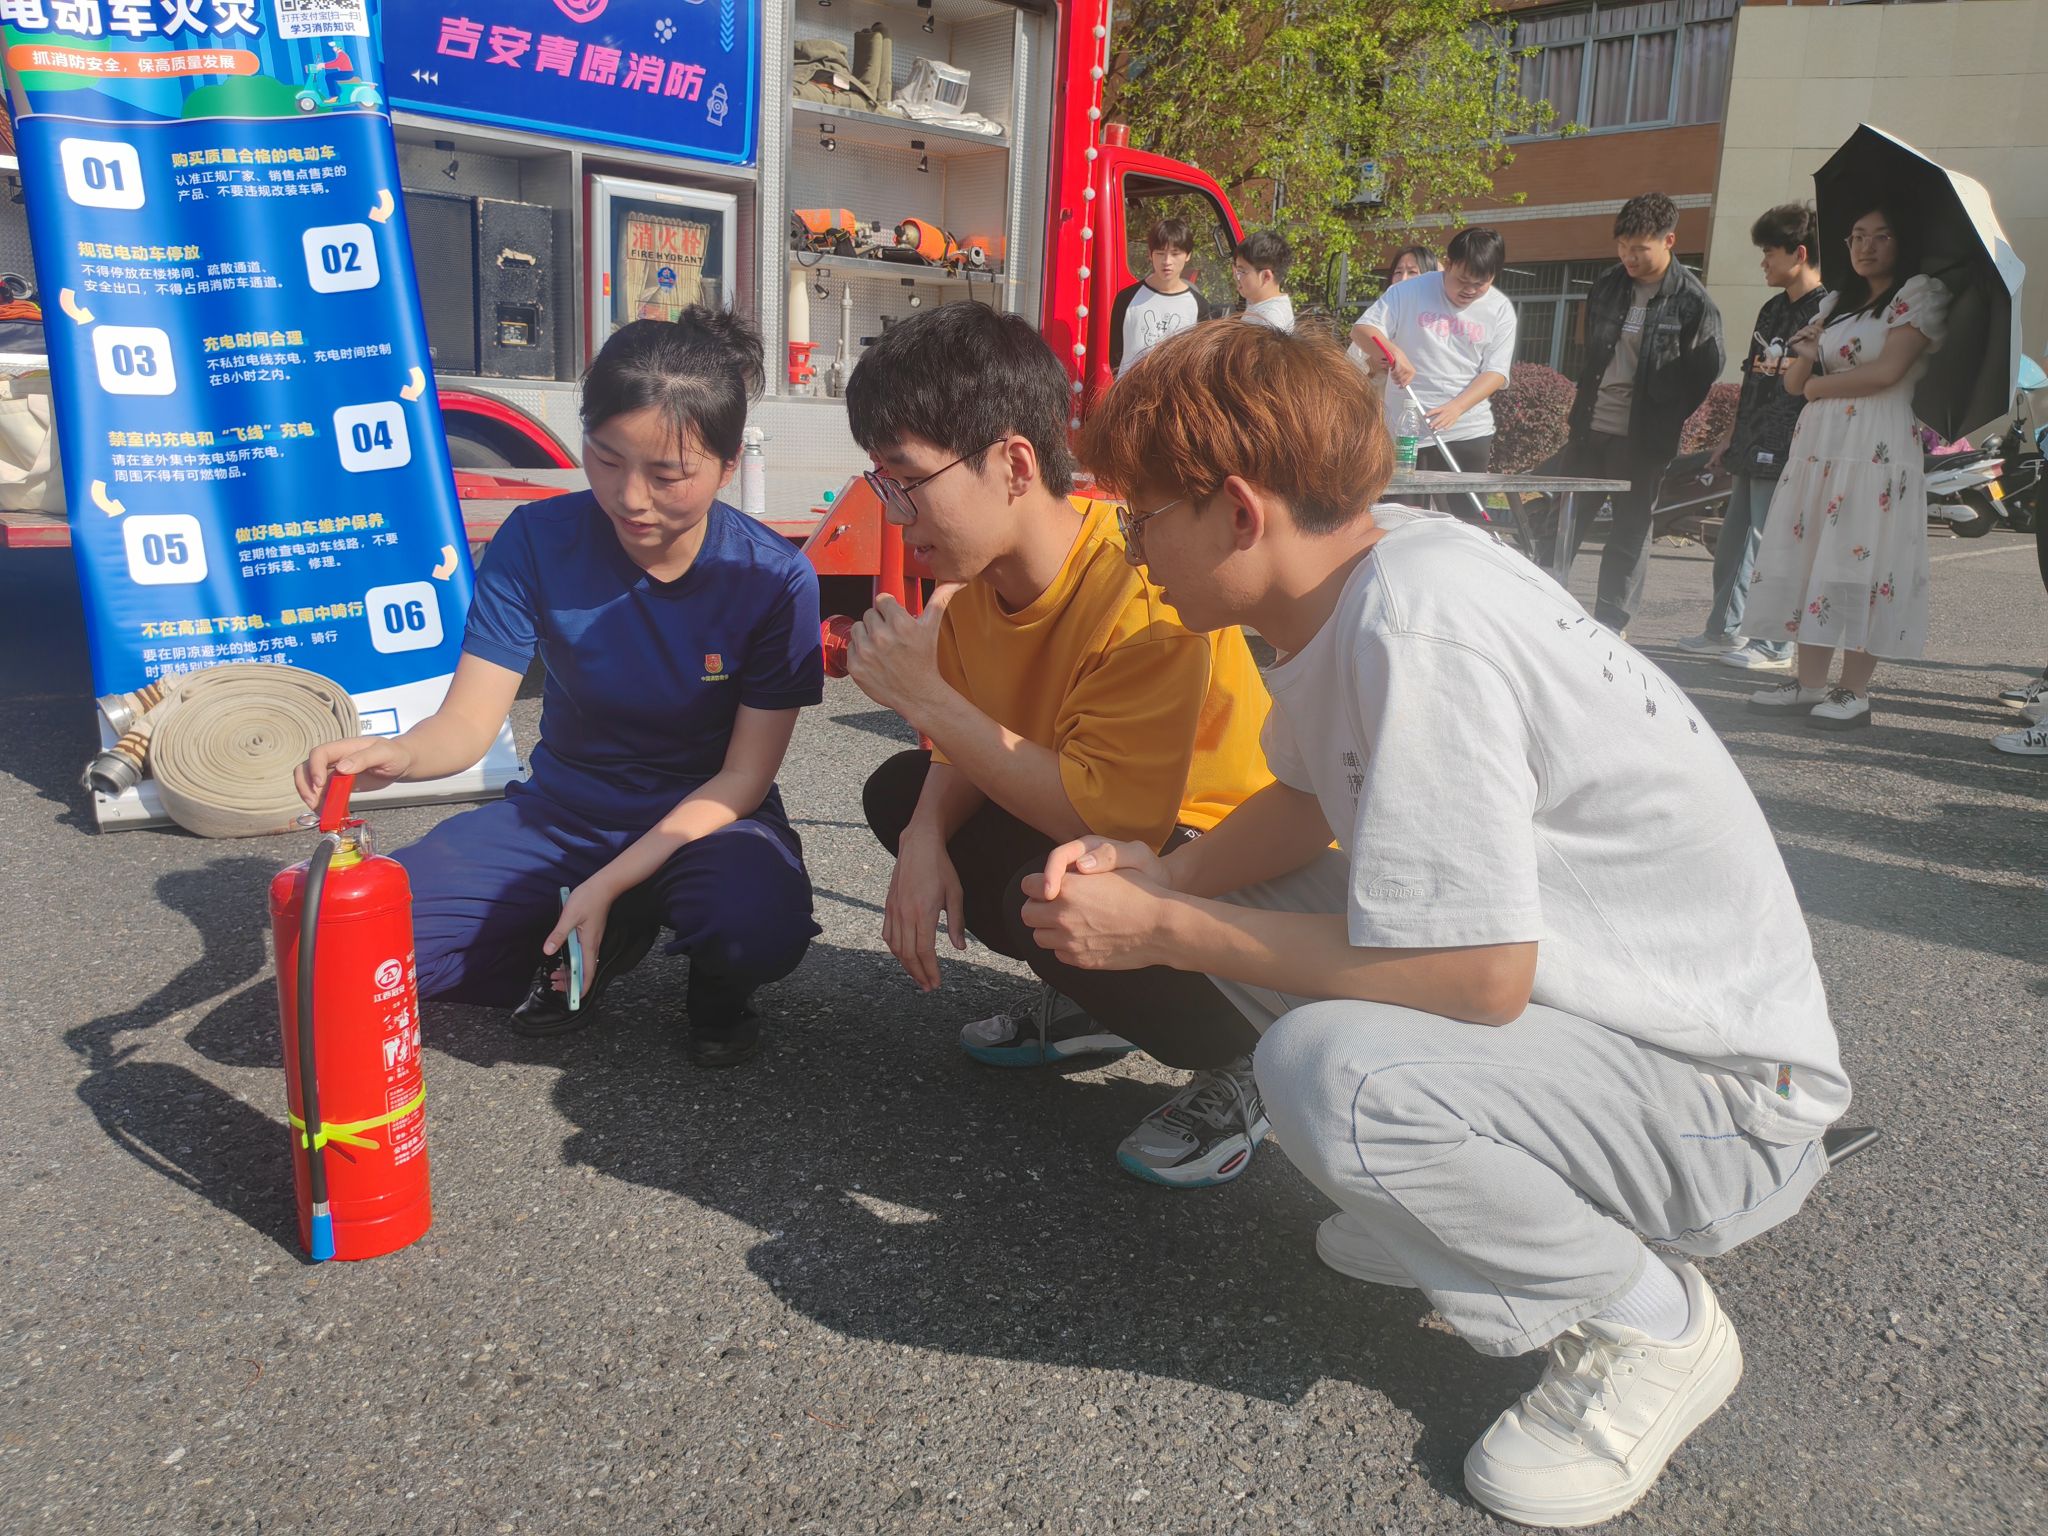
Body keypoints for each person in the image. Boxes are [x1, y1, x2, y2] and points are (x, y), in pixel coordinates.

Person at [1023, 320, 1848, 1527]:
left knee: (1332, 1075)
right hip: (1619, 1027)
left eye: (1140, 517)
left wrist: (1161, 934)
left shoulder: (1413, 624)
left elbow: (1473, 978)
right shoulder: (1375, 570)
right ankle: (1467, 1217)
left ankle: (1651, 1328)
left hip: (1721, 1103)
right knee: (1229, 906)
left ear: (1239, 513)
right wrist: (1165, 881)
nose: (1129, 548)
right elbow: (1307, 800)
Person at [293, 311, 822, 1069]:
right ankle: (586, 947)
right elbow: (467, 724)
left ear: (729, 464)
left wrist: (609, 879)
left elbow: (743, 778)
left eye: (668, 475)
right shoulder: (536, 540)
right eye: (605, 458)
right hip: (562, 815)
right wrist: (396, 755)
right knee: (356, 951)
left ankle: (714, 986)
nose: (630, 497)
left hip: (706, 820)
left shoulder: (773, 578)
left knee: (753, 923)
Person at [841, 302, 1278, 1187]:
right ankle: (1097, 1003)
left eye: (909, 480)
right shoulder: (974, 584)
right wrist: (922, 839)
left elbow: (1116, 822)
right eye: (882, 483)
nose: (895, 515)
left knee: (1050, 888)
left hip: (1234, 868)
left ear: (1013, 464)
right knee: (902, 794)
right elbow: (968, 742)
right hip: (1116, 835)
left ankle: (1258, 1057)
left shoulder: (1142, 593)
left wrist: (924, 696)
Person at [1738, 203, 1949, 730]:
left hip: (1876, 442)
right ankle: (1809, 682)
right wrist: (1808, 362)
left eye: (1881, 236)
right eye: (1857, 236)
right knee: (1813, 553)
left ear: (1903, 242)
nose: (1865, 247)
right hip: (1820, 443)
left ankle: (1853, 690)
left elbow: (1887, 372)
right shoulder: (1836, 301)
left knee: (1864, 558)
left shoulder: (1918, 293)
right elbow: (1792, 382)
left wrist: (1816, 385)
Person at [1552, 193, 1725, 636]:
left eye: (1639, 248)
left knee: (1629, 530)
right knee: (1564, 522)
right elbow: (1593, 353)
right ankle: (1543, 605)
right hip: (1590, 427)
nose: (1628, 257)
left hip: (1642, 440)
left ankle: (1612, 623)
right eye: (1622, 246)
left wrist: (1661, 414)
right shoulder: (1608, 285)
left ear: (1669, 241)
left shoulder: (1692, 302)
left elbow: (1704, 371)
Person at [1676, 203, 1829, 672]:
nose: (1763, 262)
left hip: (1792, 447)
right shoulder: (1771, 309)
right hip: (1751, 441)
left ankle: (1774, 644)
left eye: (1769, 252)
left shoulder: (1828, 311)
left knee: (1773, 547)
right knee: (1735, 543)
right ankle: (1724, 630)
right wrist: (1730, 434)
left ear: (1799, 253)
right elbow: (1754, 377)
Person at [1353, 226, 1515, 497]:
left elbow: (1496, 372)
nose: (1470, 290)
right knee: (1401, 514)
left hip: (1467, 431)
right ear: (1448, 264)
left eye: (1480, 284)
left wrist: (1457, 408)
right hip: (1406, 434)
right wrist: (1393, 351)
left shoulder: (1500, 309)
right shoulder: (1408, 291)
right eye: (1462, 280)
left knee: (1463, 517)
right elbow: (1361, 331)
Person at [1109, 218, 1216, 377]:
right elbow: (1115, 356)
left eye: (1175, 254)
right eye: (1160, 253)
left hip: (1175, 391)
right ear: (1150, 255)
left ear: (1188, 255)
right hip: (1130, 390)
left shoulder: (1199, 306)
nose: (1167, 261)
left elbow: (1200, 361)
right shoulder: (1127, 298)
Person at [1232, 230, 1295, 332]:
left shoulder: (1270, 320)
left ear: (1266, 276)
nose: (1236, 277)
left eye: (1242, 271)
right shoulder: (1260, 303)